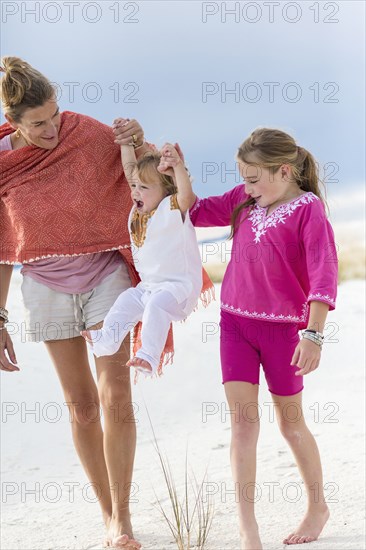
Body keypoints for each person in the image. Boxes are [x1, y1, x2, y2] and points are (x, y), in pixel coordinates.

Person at [0, 56, 155, 550]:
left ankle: (124, 518)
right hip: (43, 287)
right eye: (38, 122)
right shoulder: (3, 161)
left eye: (55, 113)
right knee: (82, 406)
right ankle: (107, 512)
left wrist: (136, 140)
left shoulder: (83, 133)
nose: (52, 127)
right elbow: (4, 247)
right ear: (13, 122)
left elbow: (143, 180)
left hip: (106, 274)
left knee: (116, 395)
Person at [160, 128, 338, 549]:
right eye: (243, 178)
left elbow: (323, 273)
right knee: (242, 424)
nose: (248, 187)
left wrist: (313, 334)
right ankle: (248, 529)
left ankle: (317, 507)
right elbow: (196, 211)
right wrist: (180, 170)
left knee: (291, 424)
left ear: (284, 170)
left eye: (255, 178)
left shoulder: (308, 210)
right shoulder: (245, 200)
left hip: (284, 331)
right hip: (235, 324)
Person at [81, 140, 204, 375]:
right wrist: (126, 144)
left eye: (144, 187)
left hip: (178, 290)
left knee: (156, 307)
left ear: (167, 190)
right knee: (126, 300)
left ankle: (148, 356)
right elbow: (130, 170)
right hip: (149, 288)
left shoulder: (172, 206)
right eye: (135, 186)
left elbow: (186, 195)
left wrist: (177, 166)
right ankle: (105, 340)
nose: (136, 191)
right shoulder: (139, 210)